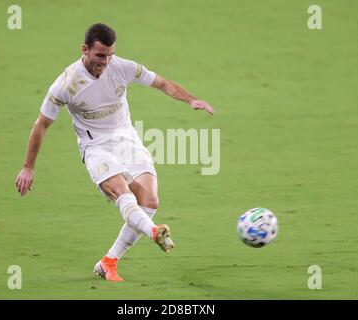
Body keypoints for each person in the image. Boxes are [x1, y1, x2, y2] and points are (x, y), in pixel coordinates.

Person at [15, 23, 214, 282]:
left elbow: (162, 83)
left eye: (110, 55)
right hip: (95, 147)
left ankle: (108, 262)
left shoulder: (122, 67)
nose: (106, 61)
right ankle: (154, 232)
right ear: (84, 50)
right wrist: (28, 166)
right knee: (122, 191)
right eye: (100, 55)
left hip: (126, 139)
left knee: (150, 201)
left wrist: (191, 99)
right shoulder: (66, 84)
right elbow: (41, 124)